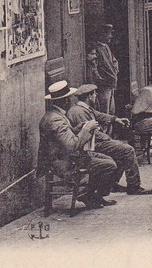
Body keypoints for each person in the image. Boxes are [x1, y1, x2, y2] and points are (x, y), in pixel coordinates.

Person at [37, 81, 118, 209]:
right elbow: (71, 145)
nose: (70, 101)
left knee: (108, 160)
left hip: (66, 157)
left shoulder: (56, 115)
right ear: (64, 100)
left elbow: (64, 137)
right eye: (69, 98)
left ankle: (91, 195)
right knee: (109, 165)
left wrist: (77, 129)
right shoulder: (55, 119)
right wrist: (86, 130)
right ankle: (87, 195)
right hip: (61, 162)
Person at [66, 84, 152, 196]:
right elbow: (89, 133)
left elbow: (101, 116)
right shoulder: (78, 112)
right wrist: (107, 138)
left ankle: (113, 183)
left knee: (121, 148)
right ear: (89, 96)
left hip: (96, 142)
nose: (96, 95)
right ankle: (134, 186)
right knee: (128, 150)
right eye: (94, 94)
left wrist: (116, 119)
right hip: (92, 145)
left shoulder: (85, 108)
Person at [87, 24, 119, 116]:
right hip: (103, 86)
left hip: (110, 84)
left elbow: (114, 60)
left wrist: (115, 69)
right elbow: (93, 68)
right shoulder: (95, 49)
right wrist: (100, 80)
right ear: (102, 35)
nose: (111, 36)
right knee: (104, 112)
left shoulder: (106, 47)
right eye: (109, 34)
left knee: (111, 111)